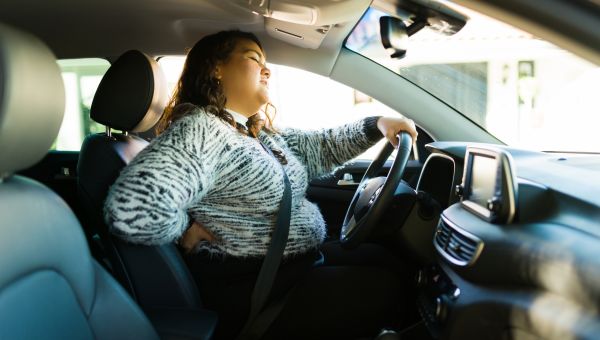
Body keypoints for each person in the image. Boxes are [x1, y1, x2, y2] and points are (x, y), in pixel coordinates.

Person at [104, 30, 419, 340]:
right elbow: (130, 209)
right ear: (216, 68)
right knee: (391, 288)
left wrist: (377, 125)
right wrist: (184, 228)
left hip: (293, 268)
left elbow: (318, 147)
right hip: (261, 294)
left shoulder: (252, 132)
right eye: (254, 59)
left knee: (389, 261)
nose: (267, 69)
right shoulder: (201, 130)